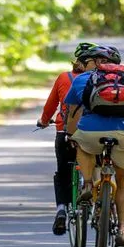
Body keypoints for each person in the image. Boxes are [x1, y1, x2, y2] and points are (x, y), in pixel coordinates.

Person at [64, 46, 124, 247]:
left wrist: (71, 136)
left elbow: (73, 114)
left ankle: (87, 184)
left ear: (94, 62)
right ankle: (122, 228)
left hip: (91, 133)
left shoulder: (81, 80)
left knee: (83, 146)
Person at [37, 42, 103, 235]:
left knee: (63, 172)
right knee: (97, 164)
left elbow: (50, 106)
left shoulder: (64, 78)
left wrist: (43, 120)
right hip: (92, 133)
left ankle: (61, 211)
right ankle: (99, 200)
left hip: (65, 132)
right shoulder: (100, 80)